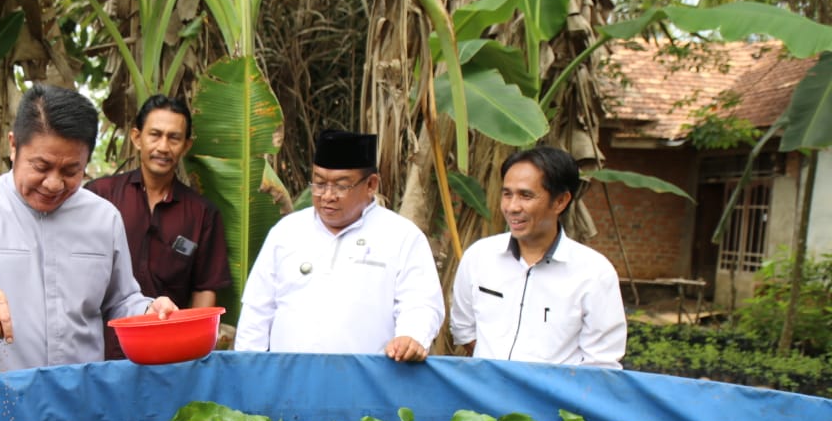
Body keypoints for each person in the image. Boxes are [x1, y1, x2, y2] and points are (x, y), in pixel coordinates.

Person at [0, 83, 176, 380]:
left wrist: (150, 311)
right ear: (13, 146)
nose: (53, 184)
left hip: (79, 404)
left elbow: (121, 300)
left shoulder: (104, 219)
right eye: (41, 166)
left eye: (71, 171)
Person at [234, 129, 443, 360]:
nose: (327, 196)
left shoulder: (401, 236)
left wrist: (411, 336)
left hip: (369, 384)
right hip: (289, 382)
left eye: (341, 185)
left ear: (371, 185)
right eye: (319, 183)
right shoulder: (286, 232)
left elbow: (421, 304)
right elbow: (257, 311)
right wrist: (248, 368)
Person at [450, 145, 626, 367]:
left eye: (526, 195)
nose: (512, 207)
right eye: (507, 194)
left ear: (560, 201)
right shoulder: (479, 257)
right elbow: (464, 330)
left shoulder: (594, 273)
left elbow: (601, 362)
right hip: (484, 397)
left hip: (553, 401)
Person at [85, 94, 231, 358]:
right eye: (155, 134)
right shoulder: (100, 196)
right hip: (100, 352)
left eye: (174, 138)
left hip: (166, 354)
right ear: (136, 137)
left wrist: (189, 350)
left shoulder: (201, 213)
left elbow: (204, 288)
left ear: (186, 146)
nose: (163, 147)